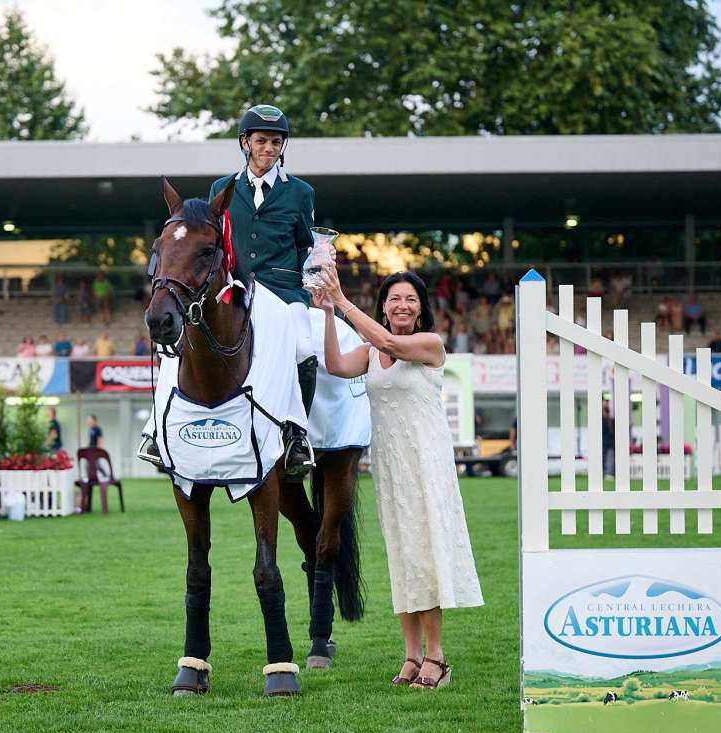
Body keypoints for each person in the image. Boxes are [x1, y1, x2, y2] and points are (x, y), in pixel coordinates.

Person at [313, 267, 483, 689]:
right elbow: (334, 365)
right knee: (403, 558)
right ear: (384, 307)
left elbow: (389, 342)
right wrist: (330, 313)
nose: (401, 305)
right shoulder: (371, 351)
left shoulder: (428, 344)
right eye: (393, 299)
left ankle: (437, 657)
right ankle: (410, 655)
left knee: (425, 554)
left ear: (421, 307)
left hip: (426, 464)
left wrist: (343, 299)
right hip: (389, 466)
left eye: (409, 298)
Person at [139, 103, 321, 476]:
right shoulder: (221, 189)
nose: (269, 149)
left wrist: (316, 270)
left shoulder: (300, 193)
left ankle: (296, 435)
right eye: (261, 141)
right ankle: (156, 430)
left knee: (303, 348)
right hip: (237, 287)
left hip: (284, 290)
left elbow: (306, 244)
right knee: (180, 346)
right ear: (245, 142)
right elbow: (213, 240)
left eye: (275, 142)